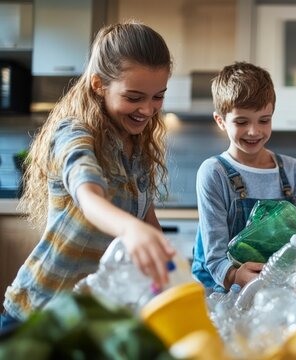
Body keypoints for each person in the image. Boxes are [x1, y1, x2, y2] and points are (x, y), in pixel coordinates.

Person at [1, 22, 176, 329]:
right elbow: (88, 197)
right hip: (40, 313)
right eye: (134, 97)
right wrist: (130, 230)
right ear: (99, 84)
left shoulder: (138, 146)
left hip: (90, 318)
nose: (148, 110)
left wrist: (171, 273)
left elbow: (148, 220)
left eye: (157, 97)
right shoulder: (74, 132)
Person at [191, 62, 296, 292]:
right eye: (242, 121)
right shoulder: (214, 172)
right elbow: (215, 258)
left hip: (279, 288)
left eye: (263, 120)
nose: (254, 131)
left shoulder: (293, 170)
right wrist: (236, 276)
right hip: (226, 291)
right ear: (220, 121)